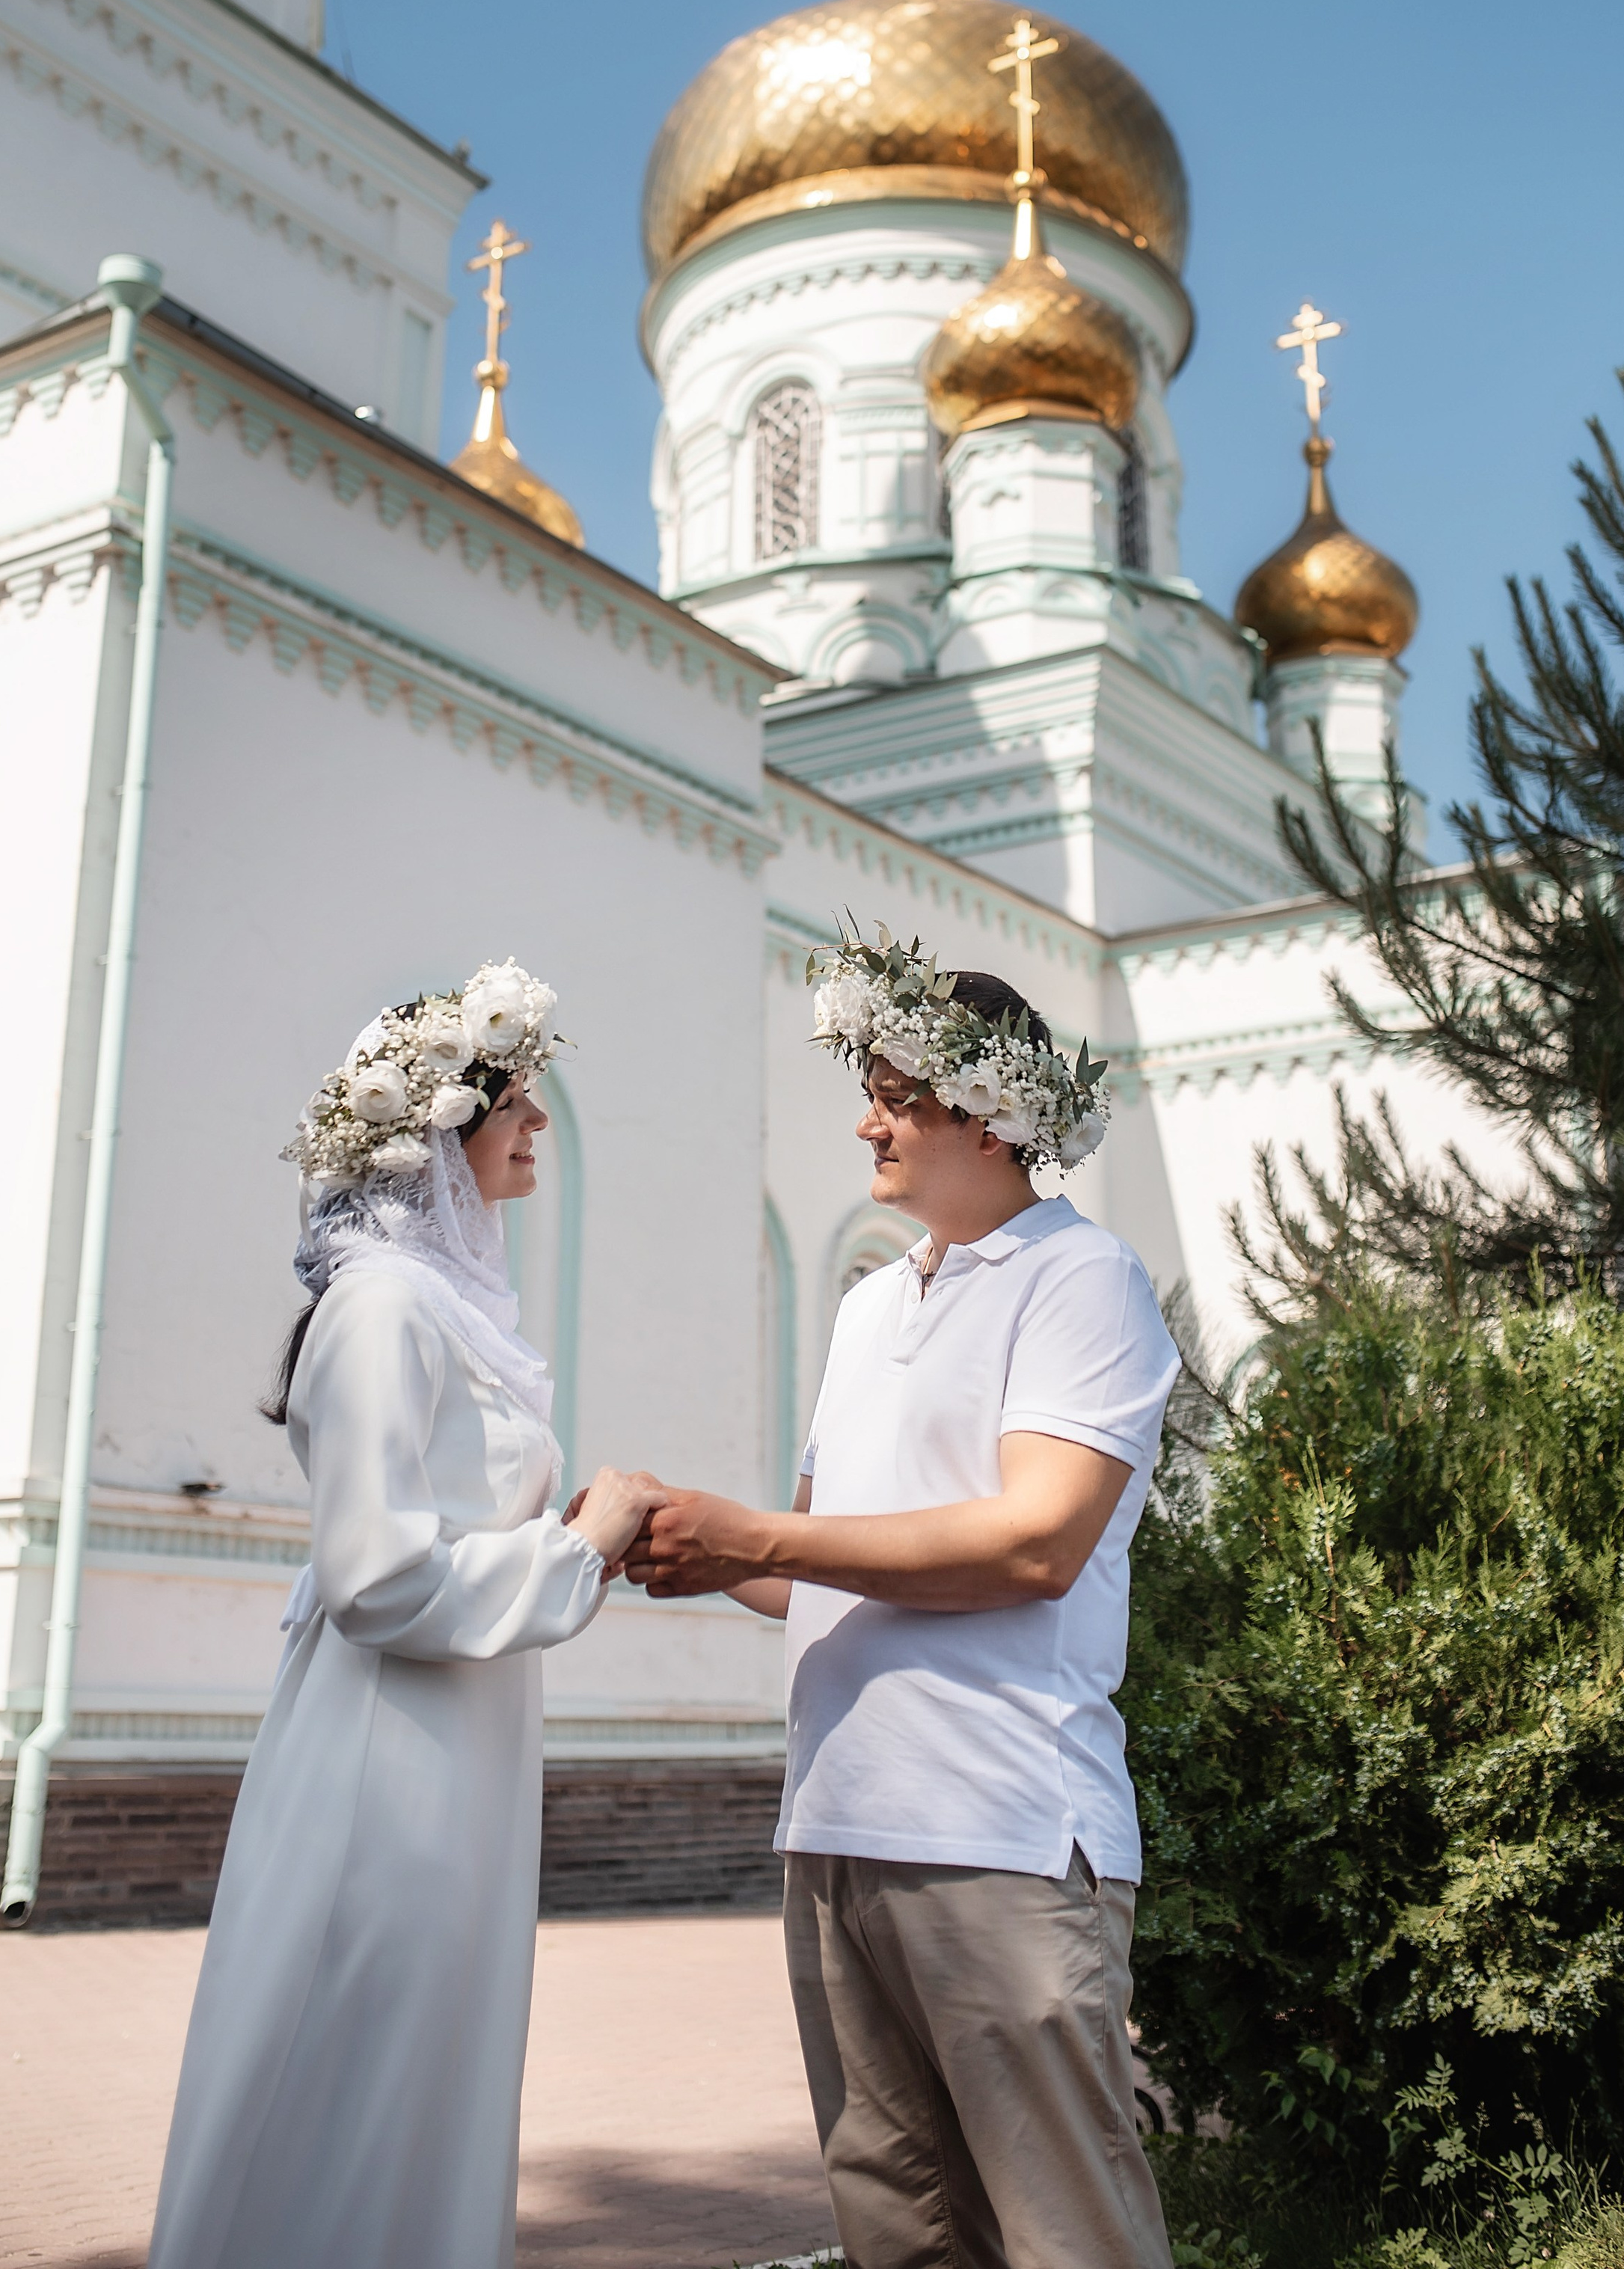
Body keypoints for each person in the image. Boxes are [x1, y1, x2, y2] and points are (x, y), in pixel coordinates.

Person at [629, 928, 1180, 2269]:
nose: (865, 1121)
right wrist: (673, 1551)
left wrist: (758, 1531)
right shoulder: (872, 1307)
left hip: (996, 1824)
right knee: (901, 2229)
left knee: (1065, 2235)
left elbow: (1035, 1542)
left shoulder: (1083, 1281)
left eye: (896, 1095)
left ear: (989, 1117)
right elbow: (816, 1560)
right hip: (836, 1823)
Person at [147, 959, 661, 2269]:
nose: (538, 1128)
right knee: (354, 2081)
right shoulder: (381, 1307)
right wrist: (578, 1553)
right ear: (444, 1128)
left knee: (430, 2081)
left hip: (459, 1758)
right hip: (389, 1776)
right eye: (520, 1104)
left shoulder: (447, 1307)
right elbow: (374, 1576)